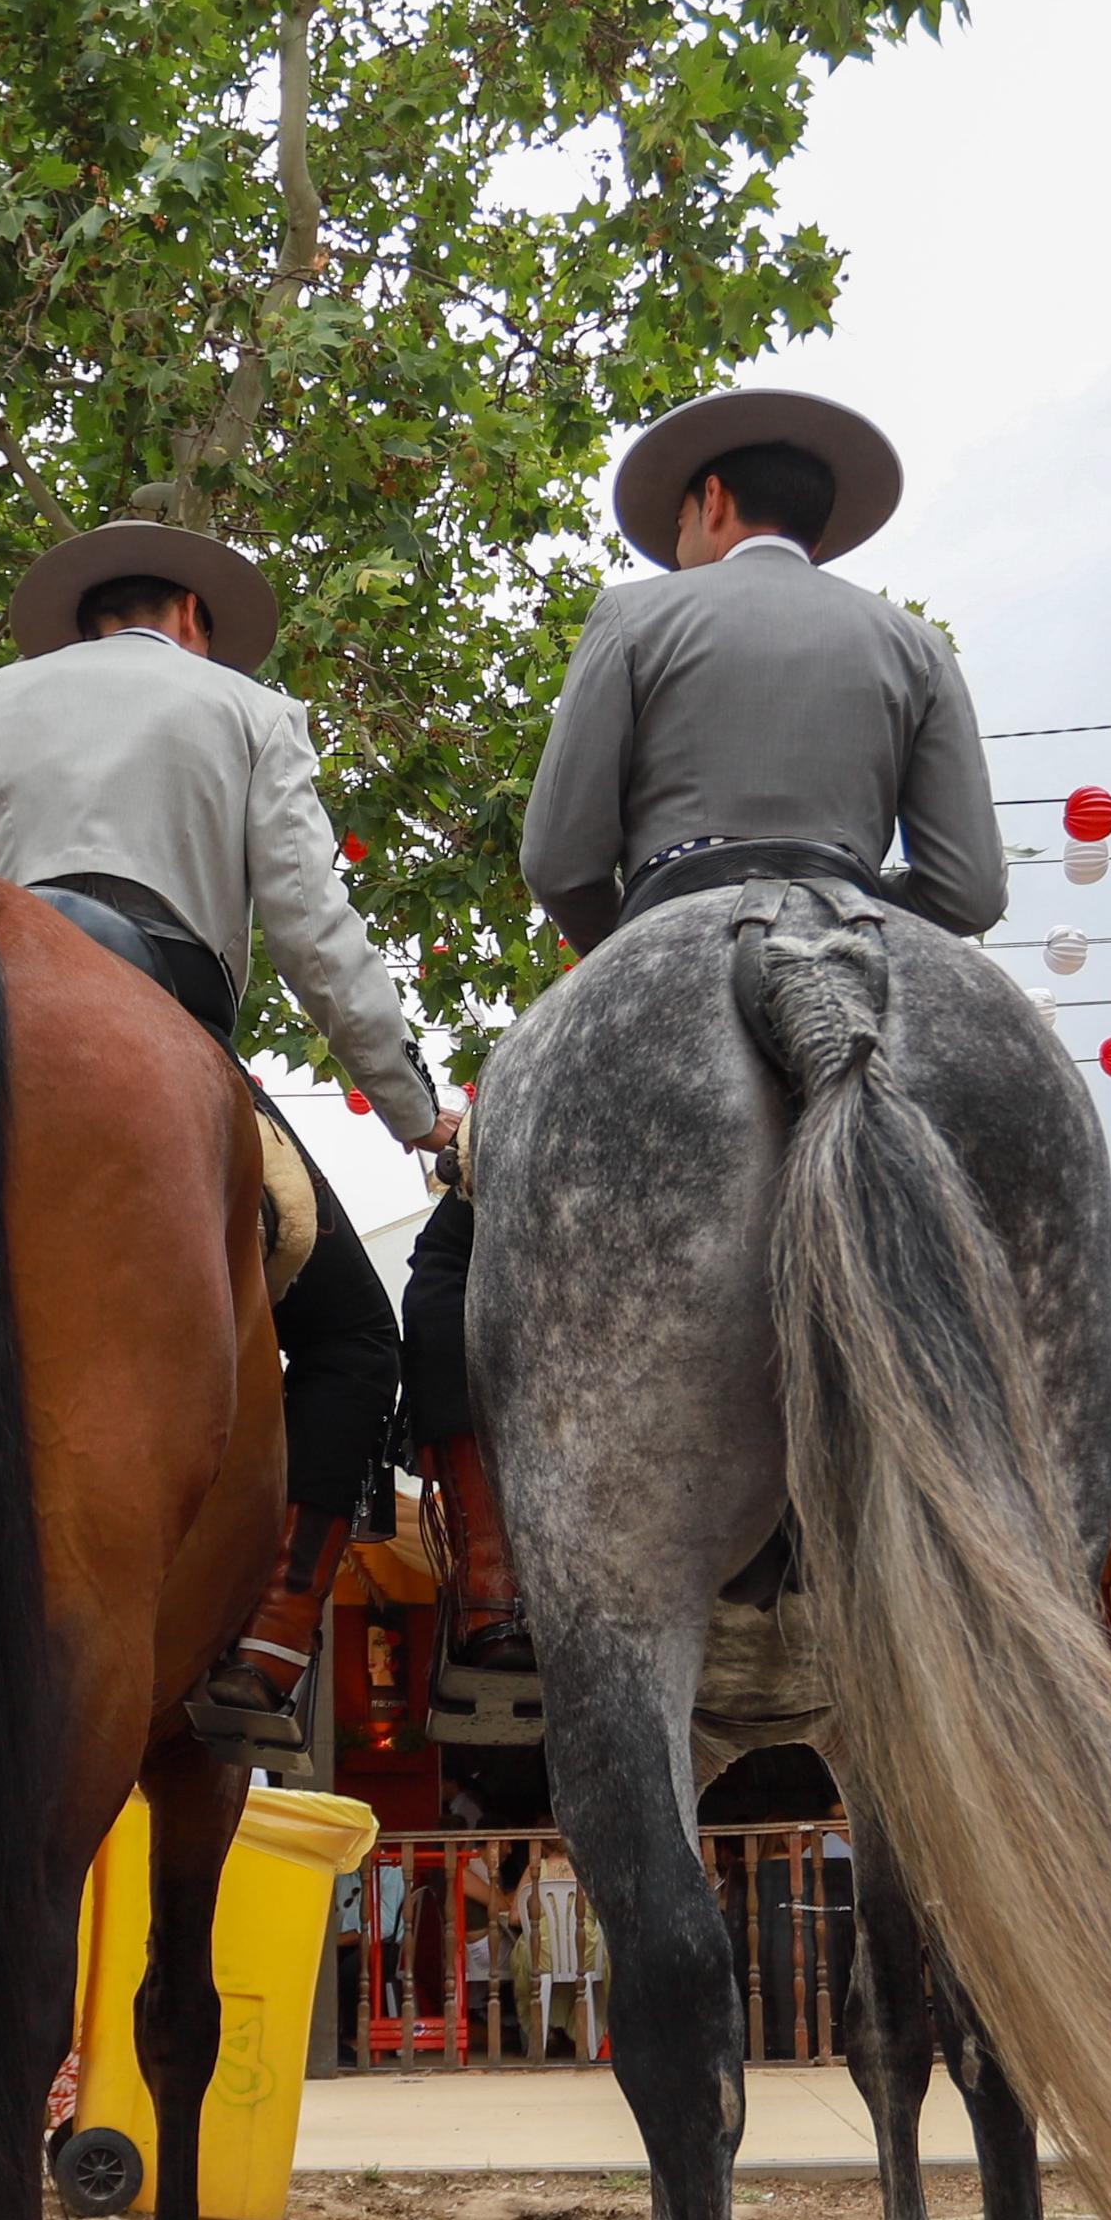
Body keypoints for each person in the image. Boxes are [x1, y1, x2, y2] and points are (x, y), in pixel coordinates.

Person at [405, 391, 1007, 1669]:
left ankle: (507, 1558)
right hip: (863, 920)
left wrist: (623, 959)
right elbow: (969, 891)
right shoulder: (909, 642)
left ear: (712, 505)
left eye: (677, 515)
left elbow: (558, 851)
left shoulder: (635, 615)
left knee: (474, 1223)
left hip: (667, 911)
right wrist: (854, 904)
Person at [0, 519, 451, 1737]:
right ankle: (273, 1636)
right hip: (156, 1004)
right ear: (194, 619)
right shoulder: (244, 710)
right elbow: (318, 939)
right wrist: (418, 1114)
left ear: (85, 620)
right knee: (351, 1336)